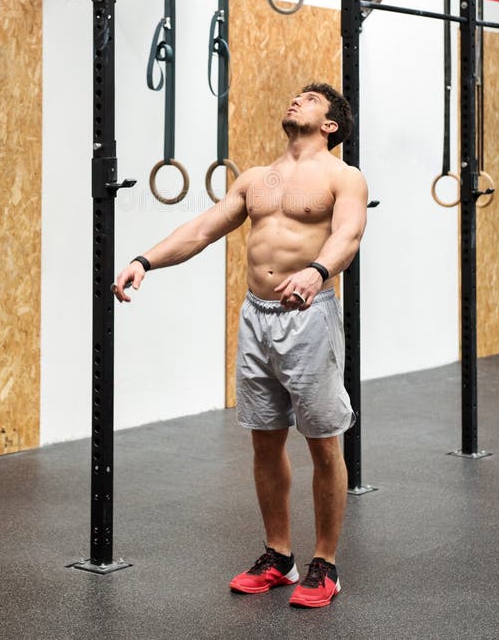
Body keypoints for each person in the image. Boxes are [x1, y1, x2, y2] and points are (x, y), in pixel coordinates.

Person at [113, 82, 368, 610]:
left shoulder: (344, 177)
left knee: (322, 442)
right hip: (257, 318)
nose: (296, 99)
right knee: (264, 440)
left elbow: (349, 235)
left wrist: (318, 272)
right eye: (294, 94)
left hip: (309, 317)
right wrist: (145, 260)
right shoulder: (256, 179)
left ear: (331, 125)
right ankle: (279, 556)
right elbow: (203, 228)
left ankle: (325, 564)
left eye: (310, 99)